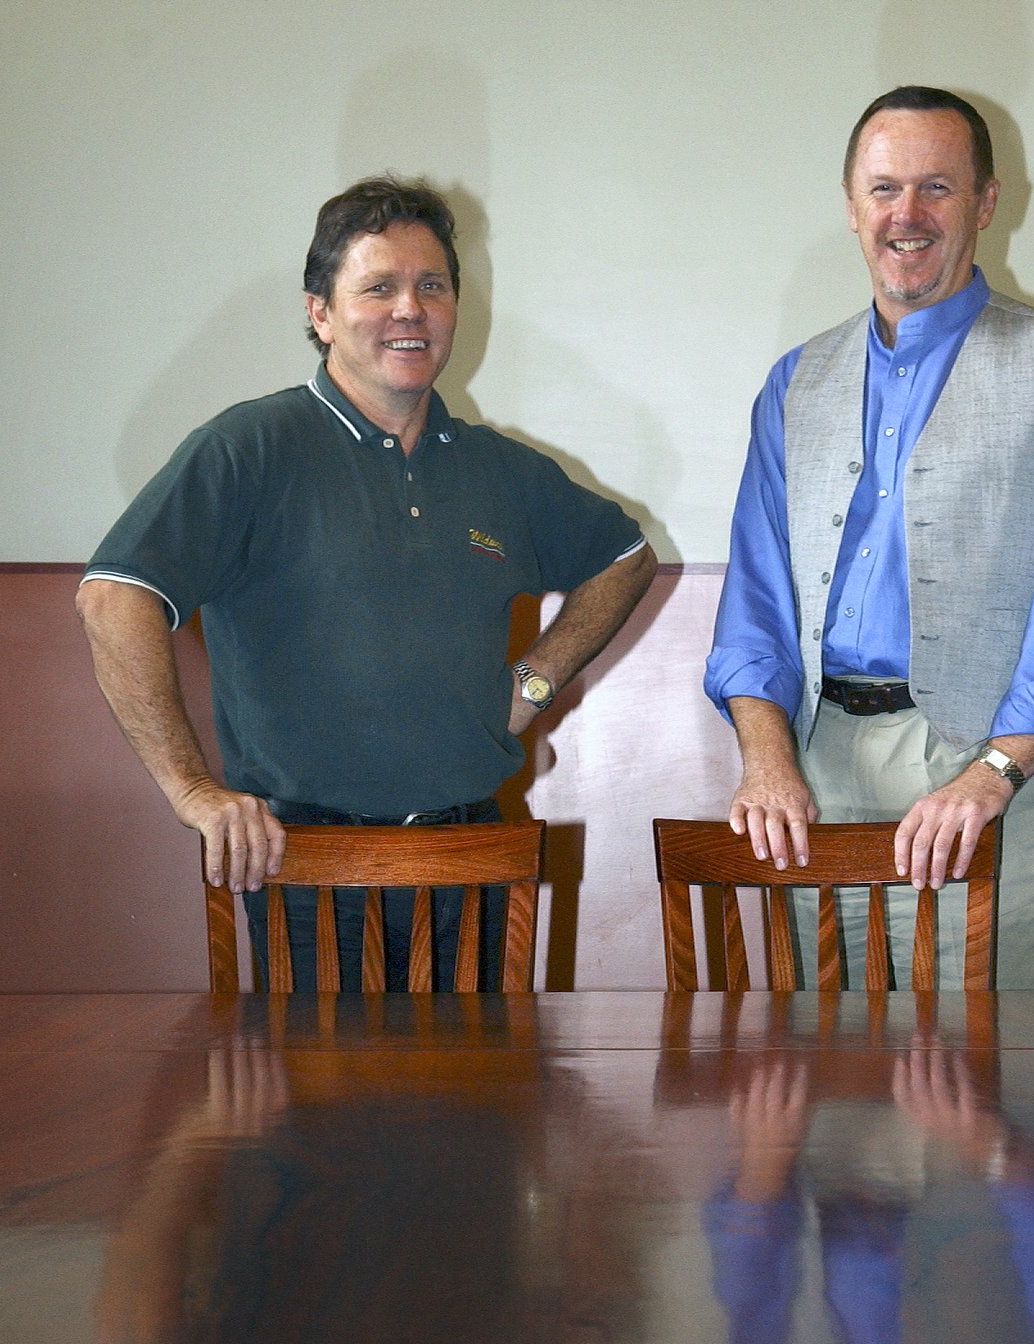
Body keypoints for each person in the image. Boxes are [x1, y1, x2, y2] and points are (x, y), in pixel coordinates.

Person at [78, 177, 656, 987]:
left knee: (487, 1109)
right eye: (377, 287)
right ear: (320, 313)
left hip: (472, 860)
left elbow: (625, 558)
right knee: (327, 1116)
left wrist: (531, 683)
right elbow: (113, 597)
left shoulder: (499, 469)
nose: (409, 310)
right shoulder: (251, 447)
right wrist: (192, 791)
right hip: (310, 869)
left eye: (432, 286)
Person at [704, 87, 1034, 986]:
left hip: (983, 770)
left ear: (984, 203)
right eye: (885, 188)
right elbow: (756, 599)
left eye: (936, 188)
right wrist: (767, 758)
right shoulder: (795, 382)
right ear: (852, 205)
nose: (908, 215)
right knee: (825, 1077)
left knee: (987, 1086)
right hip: (813, 763)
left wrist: (991, 778)